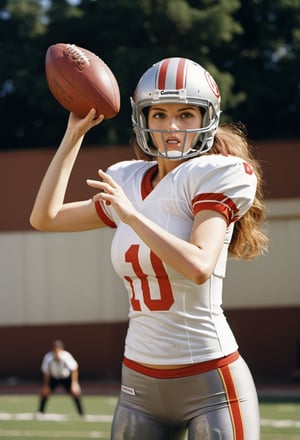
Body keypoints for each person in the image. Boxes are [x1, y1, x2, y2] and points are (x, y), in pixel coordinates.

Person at [30, 57, 268, 439]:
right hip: (138, 381)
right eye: (159, 114)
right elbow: (46, 217)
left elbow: (199, 265)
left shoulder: (218, 172)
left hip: (210, 379)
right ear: (143, 118)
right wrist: (73, 136)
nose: (171, 127)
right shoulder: (129, 177)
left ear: (207, 117)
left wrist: (132, 216)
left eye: (186, 114)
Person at [36, 339, 84, 416]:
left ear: (61, 348)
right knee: (45, 393)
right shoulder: (48, 357)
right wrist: (46, 385)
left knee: (75, 392)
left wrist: (74, 383)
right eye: (55, 348)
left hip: (65, 378)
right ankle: (41, 412)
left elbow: (74, 369)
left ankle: (81, 413)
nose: (56, 350)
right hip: (53, 378)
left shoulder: (66, 356)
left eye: (58, 348)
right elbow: (46, 372)